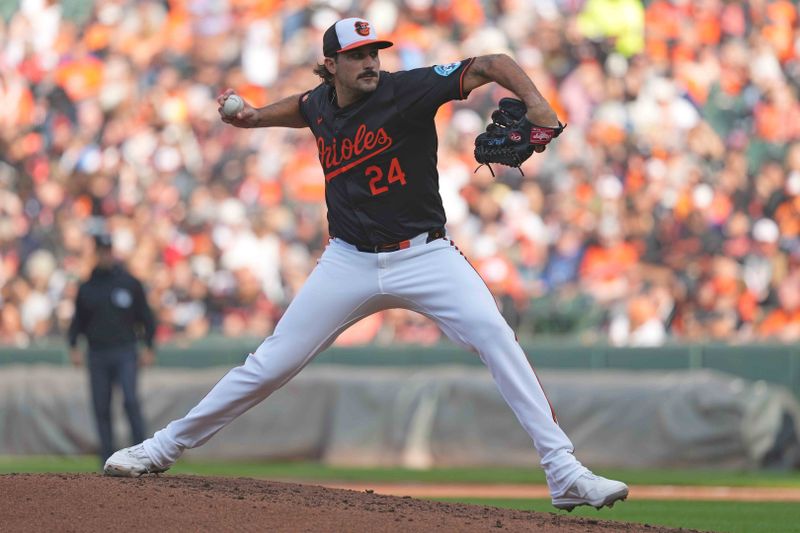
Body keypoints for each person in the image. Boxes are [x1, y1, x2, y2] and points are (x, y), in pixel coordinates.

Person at [103, 17, 628, 511]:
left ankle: (563, 471)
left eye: (374, 51)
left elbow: (490, 63)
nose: (371, 62)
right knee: (271, 363)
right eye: (357, 56)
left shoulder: (408, 90)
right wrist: (255, 117)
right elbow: (304, 107)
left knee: (495, 335)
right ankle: (159, 450)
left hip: (425, 254)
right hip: (348, 261)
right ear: (331, 64)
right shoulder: (321, 104)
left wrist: (535, 101)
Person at [68, 233, 156, 465]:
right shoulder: (87, 287)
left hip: (125, 351)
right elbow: (77, 321)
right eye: (101, 251)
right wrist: (73, 345)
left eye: (108, 250)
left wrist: (149, 345)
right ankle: (106, 459)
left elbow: (146, 316)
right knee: (101, 405)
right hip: (97, 353)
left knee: (130, 400)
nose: (105, 255)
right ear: (96, 253)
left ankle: (141, 454)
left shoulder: (129, 283)